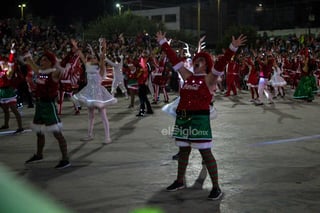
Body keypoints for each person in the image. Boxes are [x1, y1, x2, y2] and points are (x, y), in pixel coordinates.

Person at [156, 31, 246, 200]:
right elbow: (175, 60)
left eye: (202, 60)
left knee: (205, 153)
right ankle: (179, 180)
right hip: (183, 117)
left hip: (199, 119)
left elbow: (221, 63)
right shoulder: (187, 76)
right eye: (196, 59)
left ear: (207, 65)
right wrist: (163, 44)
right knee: (183, 150)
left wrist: (232, 48)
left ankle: (216, 188)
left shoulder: (209, 79)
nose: (197, 61)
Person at [24, 51, 70, 169]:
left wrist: (59, 63)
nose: (42, 61)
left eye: (45, 60)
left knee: (57, 133)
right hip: (39, 105)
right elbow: (37, 71)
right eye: (42, 59)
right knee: (39, 132)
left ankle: (65, 159)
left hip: (48, 106)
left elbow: (61, 70)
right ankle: (39, 155)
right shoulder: (43, 73)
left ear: (51, 62)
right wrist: (29, 60)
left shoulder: (54, 73)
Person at [71, 38, 117, 144]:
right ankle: (89, 135)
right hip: (89, 93)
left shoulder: (101, 69)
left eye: (93, 58)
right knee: (90, 116)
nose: (91, 59)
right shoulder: (87, 66)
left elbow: (102, 56)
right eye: (90, 58)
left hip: (98, 93)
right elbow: (82, 56)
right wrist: (76, 46)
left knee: (103, 115)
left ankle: (107, 137)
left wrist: (104, 47)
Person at [0, 43, 24, 134]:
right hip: (1, 92)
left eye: (4, 63)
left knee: (14, 110)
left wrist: (12, 52)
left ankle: (20, 127)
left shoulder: (9, 71)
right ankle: (6, 124)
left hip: (8, 92)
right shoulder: (1, 70)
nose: (3, 64)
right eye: (2, 63)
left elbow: (11, 62)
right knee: (5, 110)